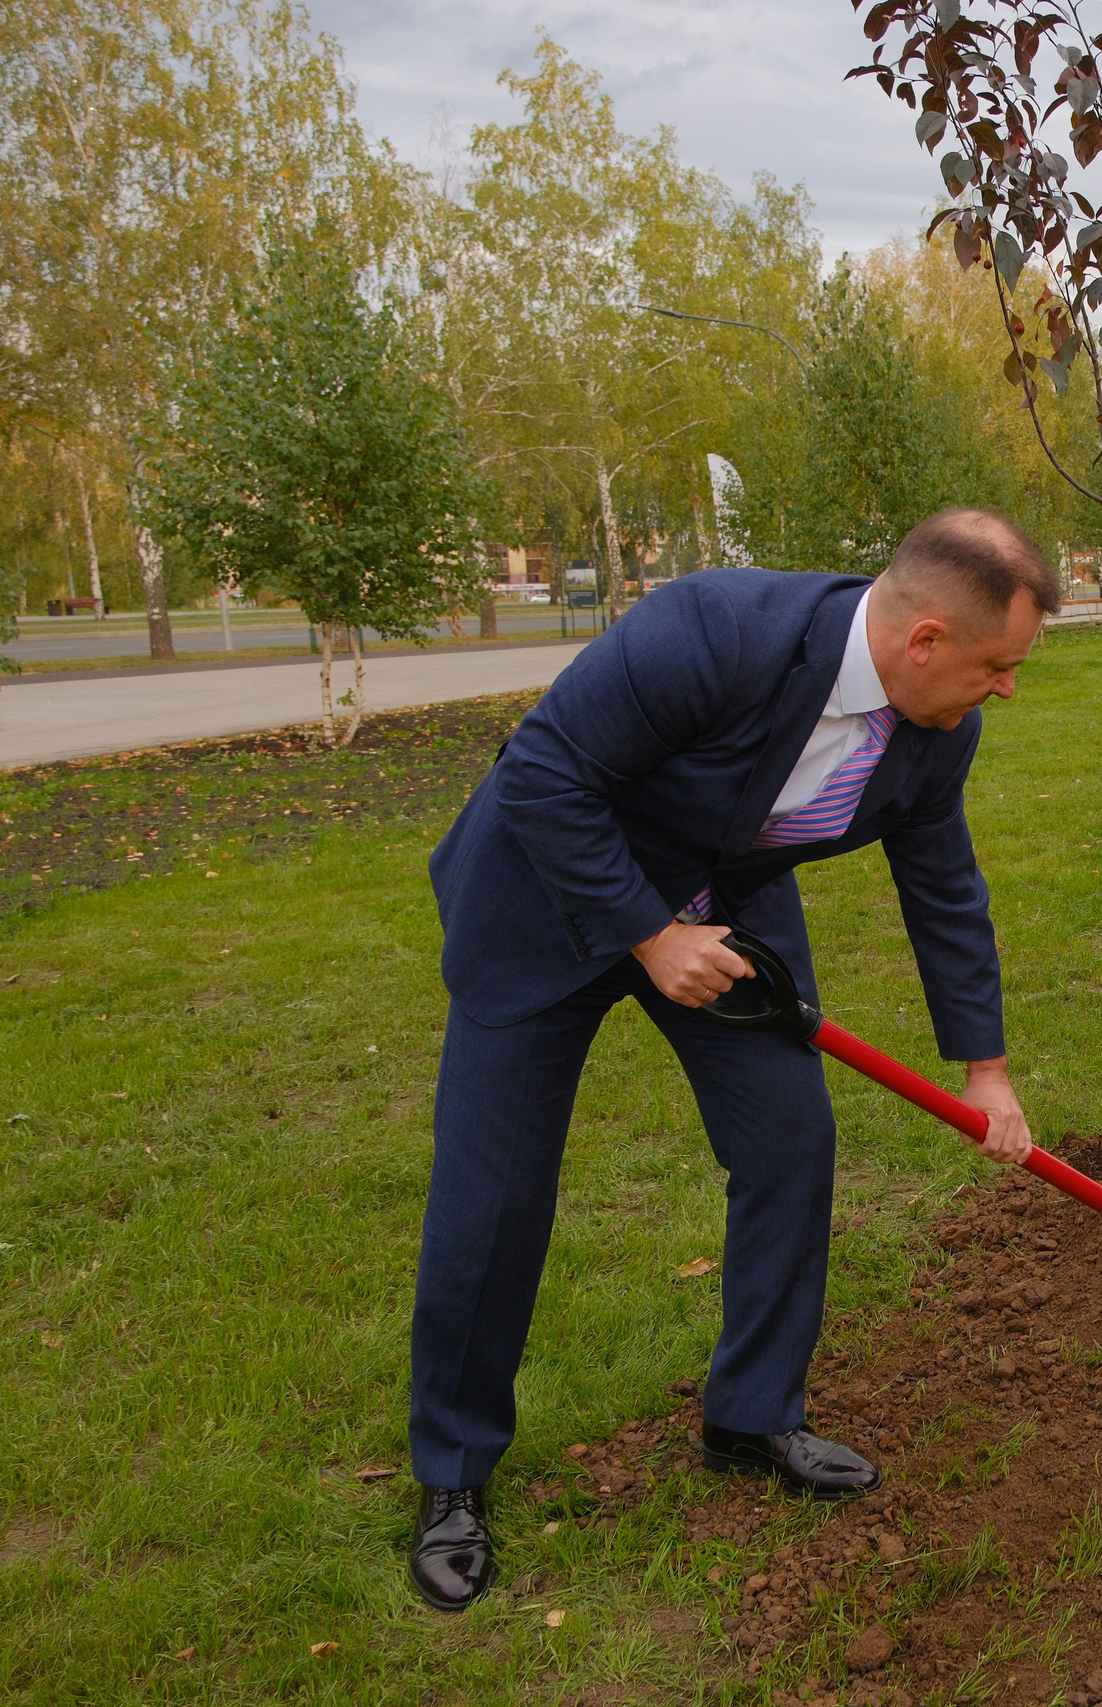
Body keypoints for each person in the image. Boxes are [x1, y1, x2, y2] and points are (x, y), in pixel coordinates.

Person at [406, 510, 1059, 1611]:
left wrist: (983, 1065)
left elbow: (943, 884)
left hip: (721, 923)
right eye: (996, 666)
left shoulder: (938, 730)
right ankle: (453, 1476)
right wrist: (649, 937)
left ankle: (753, 1414)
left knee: (789, 1142)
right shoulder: (715, 628)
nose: (1004, 690)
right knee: (495, 1190)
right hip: (544, 903)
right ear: (925, 640)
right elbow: (544, 771)